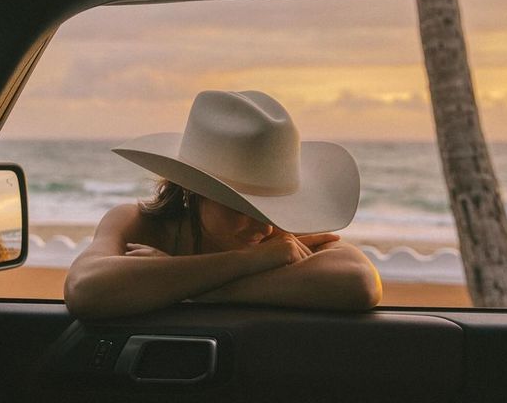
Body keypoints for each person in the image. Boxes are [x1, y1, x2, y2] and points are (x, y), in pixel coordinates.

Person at [64, 90, 382, 319]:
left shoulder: (280, 231)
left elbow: (359, 281)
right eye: (241, 207)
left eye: (270, 207)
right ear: (193, 191)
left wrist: (186, 286)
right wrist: (248, 261)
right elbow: (85, 288)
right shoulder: (136, 222)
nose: (265, 226)